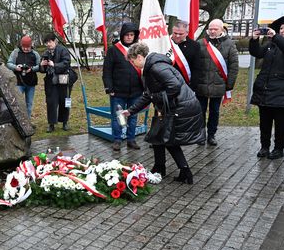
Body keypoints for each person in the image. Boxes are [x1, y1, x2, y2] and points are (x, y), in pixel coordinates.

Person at [122, 42, 205, 184]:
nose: (132, 64)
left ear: (140, 57)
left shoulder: (156, 67)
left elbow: (174, 86)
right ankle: (159, 167)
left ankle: (185, 172)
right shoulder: (150, 68)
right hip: (172, 107)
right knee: (157, 137)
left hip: (180, 107)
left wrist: (156, 97)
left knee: (170, 141)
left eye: (132, 60)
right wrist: (130, 111)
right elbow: (148, 94)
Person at [250, 15, 284, 160]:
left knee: (281, 122)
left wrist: (276, 38)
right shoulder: (272, 44)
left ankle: (278, 148)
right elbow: (256, 53)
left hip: (283, 91)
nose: (281, 31)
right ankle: (264, 147)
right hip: (266, 89)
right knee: (265, 122)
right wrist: (254, 40)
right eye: (280, 28)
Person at [194, 19, 239, 145]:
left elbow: (234, 66)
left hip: (219, 85)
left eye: (215, 29)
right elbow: (194, 65)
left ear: (222, 29)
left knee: (214, 112)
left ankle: (211, 135)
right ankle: (200, 134)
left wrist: (229, 85)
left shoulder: (230, 44)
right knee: (200, 111)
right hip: (201, 85)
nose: (212, 31)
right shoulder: (200, 43)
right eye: (211, 29)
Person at [102, 22, 143, 151]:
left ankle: (131, 139)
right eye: (127, 35)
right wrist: (109, 88)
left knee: (133, 116)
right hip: (118, 92)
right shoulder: (114, 50)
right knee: (118, 117)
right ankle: (117, 140)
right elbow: (107, 71)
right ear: (122, 36)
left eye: (132, 35)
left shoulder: (139, 50)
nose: (129, 37)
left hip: (136, 91)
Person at [40, 33, 71, 132]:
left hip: (63, 79)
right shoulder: (45, 53)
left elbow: (66, 63)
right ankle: (51, 124)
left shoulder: (63, 50)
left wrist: (55, 65)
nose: (48, 44)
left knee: (64, 101)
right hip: (50, 81)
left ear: (55, 41)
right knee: (51, 102)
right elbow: (42, 70)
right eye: (46, 42)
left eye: (50, 42)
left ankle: (65, 122)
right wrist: (42, 65)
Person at [7, 35, 41, 118]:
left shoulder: (35, 54)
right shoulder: (15, 52)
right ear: (21, 45)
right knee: (17, 102)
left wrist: (32, 69)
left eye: (27, 47)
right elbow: (9, 63)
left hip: (31, 82)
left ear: (31, 46)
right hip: (18, 82)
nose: (25, 49)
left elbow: (40, 66)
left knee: (29, 103)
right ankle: (19, 121)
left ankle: (28, 121)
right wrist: (15, 67)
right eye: (24, 47)